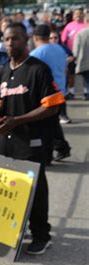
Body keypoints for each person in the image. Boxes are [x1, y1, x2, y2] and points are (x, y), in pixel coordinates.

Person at [0, 22, 64, 255]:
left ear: (26, 40)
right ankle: (11, 230)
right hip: (8, 141)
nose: (9, 43)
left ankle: (41, 235)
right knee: (11, 189)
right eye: (6, 39)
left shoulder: (38, 70)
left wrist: (18, 120)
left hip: (33, 142)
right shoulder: (5, 70)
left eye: (15, 38)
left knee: (35, 190)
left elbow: (52, 106)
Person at [30, 24, 71, 162]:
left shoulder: (36, 54)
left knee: (45, 124)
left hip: (45, 94)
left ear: (35, 38)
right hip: (60, 90)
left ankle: (52, 151)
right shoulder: (59, 48)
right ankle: (61, 148)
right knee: (52, 122)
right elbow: (65, 68)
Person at [61, 9, 85, 99]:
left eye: (80, 13)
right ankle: (71, 91)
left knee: (84, 73)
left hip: (84, 54)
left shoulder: (86, 25)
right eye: (76, 13)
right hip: (71, 54)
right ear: (73, 15)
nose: (78, 15)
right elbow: (63, 41)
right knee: (71, 74)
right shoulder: (69, 26)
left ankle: (86, 92)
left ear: (83, 15)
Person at [49, 30, 75, 114]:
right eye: (51, 38)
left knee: (61, 94)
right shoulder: (46, 48)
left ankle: (63, 114)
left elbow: (71, 56)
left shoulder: (63, 47)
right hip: (50, 75)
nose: (53, 39)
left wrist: (67, 59)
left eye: (55, 37)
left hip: (62, 74)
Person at [73, 15, 89, 101]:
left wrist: (75, 58)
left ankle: (87, 93)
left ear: (86, 21)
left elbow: (76, 48)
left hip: (83, 59)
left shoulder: (80, 33)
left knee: (86, 78)